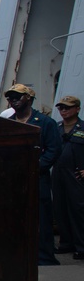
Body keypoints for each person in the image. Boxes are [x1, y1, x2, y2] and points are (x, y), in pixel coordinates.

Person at [5, 84, 62, 266]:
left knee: (42, 218)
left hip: (37, 177)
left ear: (28, 98)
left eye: (18, 97)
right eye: (11, 97)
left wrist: (36, 167)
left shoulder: (45, 122)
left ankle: (45, 256)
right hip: (15, 178)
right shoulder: (10, 123)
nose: (13, 100)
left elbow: (53, 150)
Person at [53, 96, 84, 259]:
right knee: (60, 209)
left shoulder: (83, 128)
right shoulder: (56, 128)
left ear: (77, 109)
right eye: (61, 108)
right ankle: (66, 243)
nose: (64, 111)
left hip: (76, 174)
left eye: (68, 108)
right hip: (58, 173)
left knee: (78, 210)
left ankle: (81, 246)